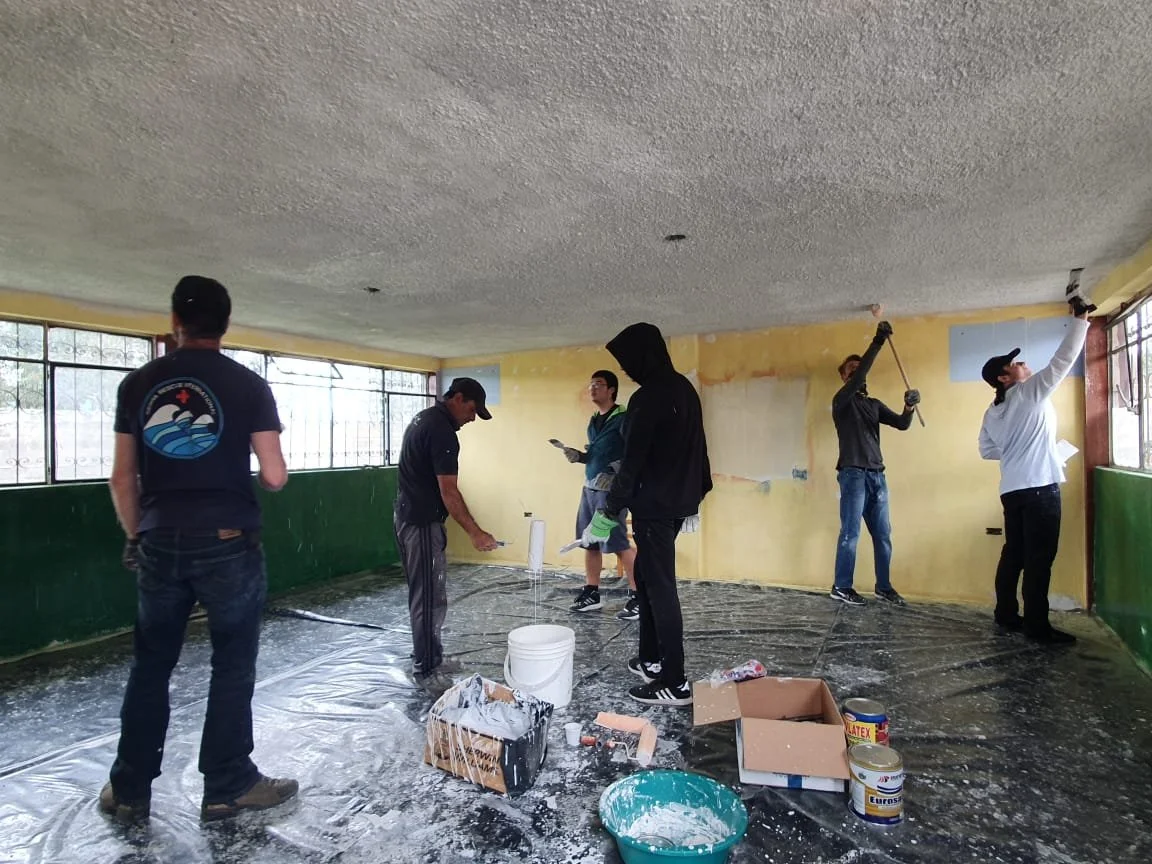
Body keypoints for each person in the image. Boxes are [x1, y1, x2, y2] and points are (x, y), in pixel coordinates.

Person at [101, 275, 297, 823]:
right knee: (231, 665)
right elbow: (275, 477)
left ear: (175, 322)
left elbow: (121, 478)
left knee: (151, 666)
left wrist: (138, 535)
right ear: (225, 325)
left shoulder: (137, 385)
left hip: (159, 541)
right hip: (228, 544)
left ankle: (129, 788)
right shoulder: (248, 385)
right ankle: (227, 785)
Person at [581, 323, 711, 706]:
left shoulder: (647, 397)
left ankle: (675, 681)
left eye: (629, 362)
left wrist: (608, 511)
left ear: (645, 356)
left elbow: (633, 463)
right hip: (675, 502)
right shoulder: (684, 389)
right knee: (647, 576)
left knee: (660, 586)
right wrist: (696, 496)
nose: (627, 370)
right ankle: (651, 660)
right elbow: (698, 450)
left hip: (654, 506)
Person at [978, 305, 1090, 643]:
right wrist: (1081, 322)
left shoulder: (993, 411)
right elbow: (1063, 360)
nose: (1022, 363)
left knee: (1014, 554)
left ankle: (1006, 615)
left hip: (1012, 491)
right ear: (1004, 378)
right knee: (1039, 560)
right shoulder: (1031, 391)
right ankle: (1037, 628)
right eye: (1014, 363)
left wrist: (1018, 451)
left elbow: (986, 450)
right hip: (1040, 489)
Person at [395, 377, 498, 693]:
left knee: (427, 592)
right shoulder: (442, 431)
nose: (472, 418)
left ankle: (431, 656)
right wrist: (475, 533)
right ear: (458, 398)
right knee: (428, 596)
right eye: (472, 410)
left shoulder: (426, 418)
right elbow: (449, 491)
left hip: (408, 515)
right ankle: (426, 668)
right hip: (421, 522)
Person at [831, 320, 920, 607]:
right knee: (850, 534)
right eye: (851, 370)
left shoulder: (874, 405)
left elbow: (902, 424)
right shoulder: (841, 401)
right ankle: (841, 587)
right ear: (844, 377)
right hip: (853, 474)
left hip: (877, 476)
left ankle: (884, 587)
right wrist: (878, 341)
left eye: (860, 369)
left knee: (883, 535)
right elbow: (859, 376)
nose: (857, 373)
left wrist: (909, 406)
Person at [560, 370, 639, 620]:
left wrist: (616, 471)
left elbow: (636, 451)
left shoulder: (624, 418)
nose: (592, 388)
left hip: (612, 493)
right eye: (591, 384)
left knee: (618, 544)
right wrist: (580, 457)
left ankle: (640, 596)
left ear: (611, 390)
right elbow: (597, 454)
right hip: (590, 488)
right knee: (589, 541)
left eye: (598, 384)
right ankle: (592, 593)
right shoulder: (595, 420)